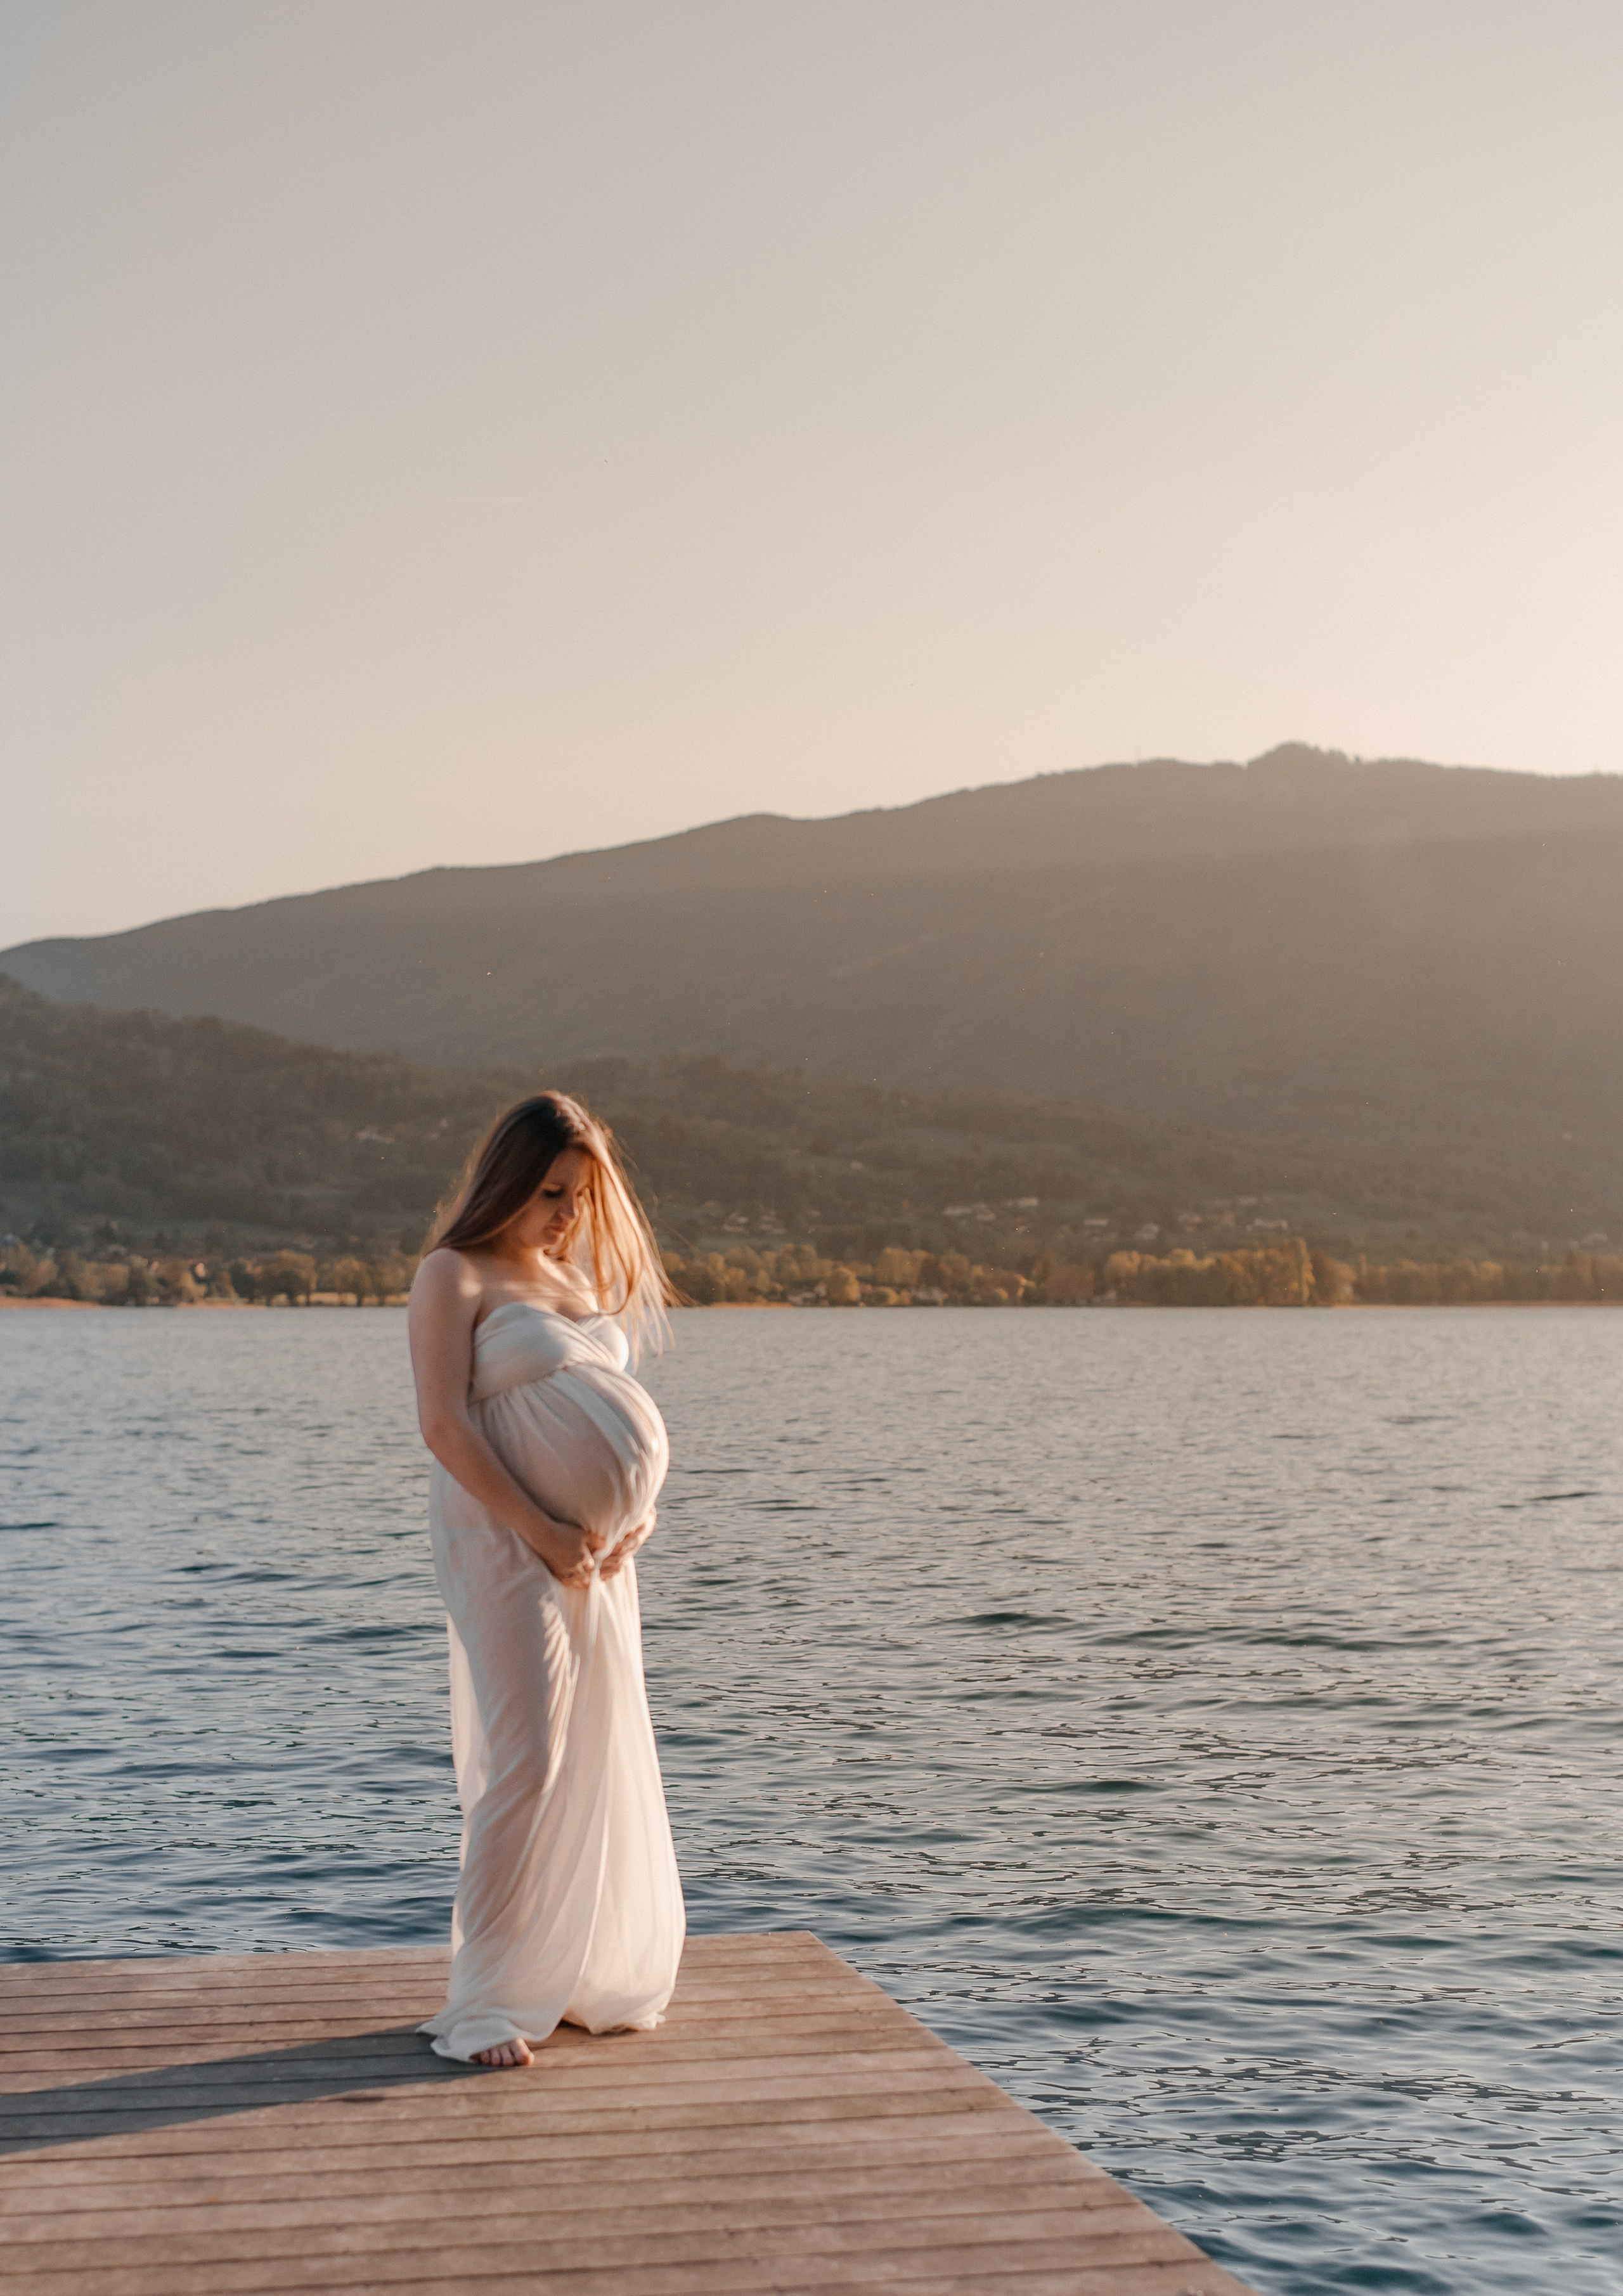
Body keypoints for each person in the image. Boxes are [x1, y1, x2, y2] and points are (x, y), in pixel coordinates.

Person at [407, 1091, 683, 2066]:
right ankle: (482, 2003)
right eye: (552, 1190)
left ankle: (564, 1970)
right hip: (501, 1538)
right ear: (509, 1179)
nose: (568, 1212)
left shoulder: (570, 1282)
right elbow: (443, 1424)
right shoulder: (455, 1273)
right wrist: (540, 1525)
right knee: (526, 1759)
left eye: (581, 1194)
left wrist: (629, 1517)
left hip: (595, 1556)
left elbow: (614, 1411)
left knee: (590, 1752)